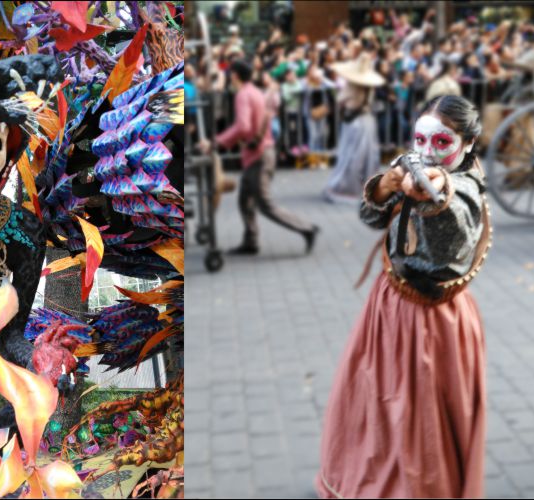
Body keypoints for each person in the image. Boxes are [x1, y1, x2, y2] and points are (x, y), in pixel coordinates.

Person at [315, 95, 491, 498]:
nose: (428, 152)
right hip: (389, 309)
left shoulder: (463, 187)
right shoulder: (413, 165)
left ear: (467, 145)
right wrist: (388, 184)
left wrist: (435, 193)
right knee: (375, 408)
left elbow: (452, 226)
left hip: (435, 325)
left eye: (442, 143)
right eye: (420, 141)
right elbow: (371, 216)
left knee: (422, 428)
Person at [200, 59, 319, 255]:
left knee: (265, 204)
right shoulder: (254, 91)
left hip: (259, 156)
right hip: (260, 154)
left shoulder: (243, 95)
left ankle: (307, 228)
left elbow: (243, 126)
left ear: (235, 75)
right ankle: (251, 241)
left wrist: (217, 142)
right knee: (244, 200)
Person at [323, 55, 384, 203]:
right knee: (367, 156)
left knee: (352, 155)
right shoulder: (369, 87)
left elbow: (340, 100)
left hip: (355, 123)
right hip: (367, 122)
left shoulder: (351, 86)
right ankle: (368, 186)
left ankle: (348, 187)